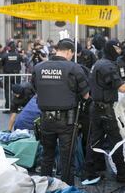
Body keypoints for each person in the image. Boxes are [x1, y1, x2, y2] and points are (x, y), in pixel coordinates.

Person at [83, 39, 125, 184]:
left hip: (96, 107)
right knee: (116, 141)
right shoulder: (107, 65)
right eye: (118, 49)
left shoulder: (99, 63)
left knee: (95, 141)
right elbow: (121, 88)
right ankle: (122, 173)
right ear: (112, 49)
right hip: (105, 110)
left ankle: (90, 171)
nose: (120, 52)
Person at [32, 38, 90, 186]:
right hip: (67, 121)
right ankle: (66, 188)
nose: (72, 56)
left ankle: (44, 187)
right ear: (69, 51)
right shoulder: (74, 68)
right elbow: (86, 95)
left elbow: (36, 89)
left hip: (46, 120)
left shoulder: (39, 68)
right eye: (72, 53)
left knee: (47, 156)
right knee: (67, 158)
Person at [2, 42, 23, 113]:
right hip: (16, 75)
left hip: (8, 75)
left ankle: (8, 108)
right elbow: (22, 61)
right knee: (18, 92)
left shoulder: (6, 55)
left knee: (7, 91)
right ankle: (17, 107)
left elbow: (2, 63)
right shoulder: (18, 55)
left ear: (9, 48)